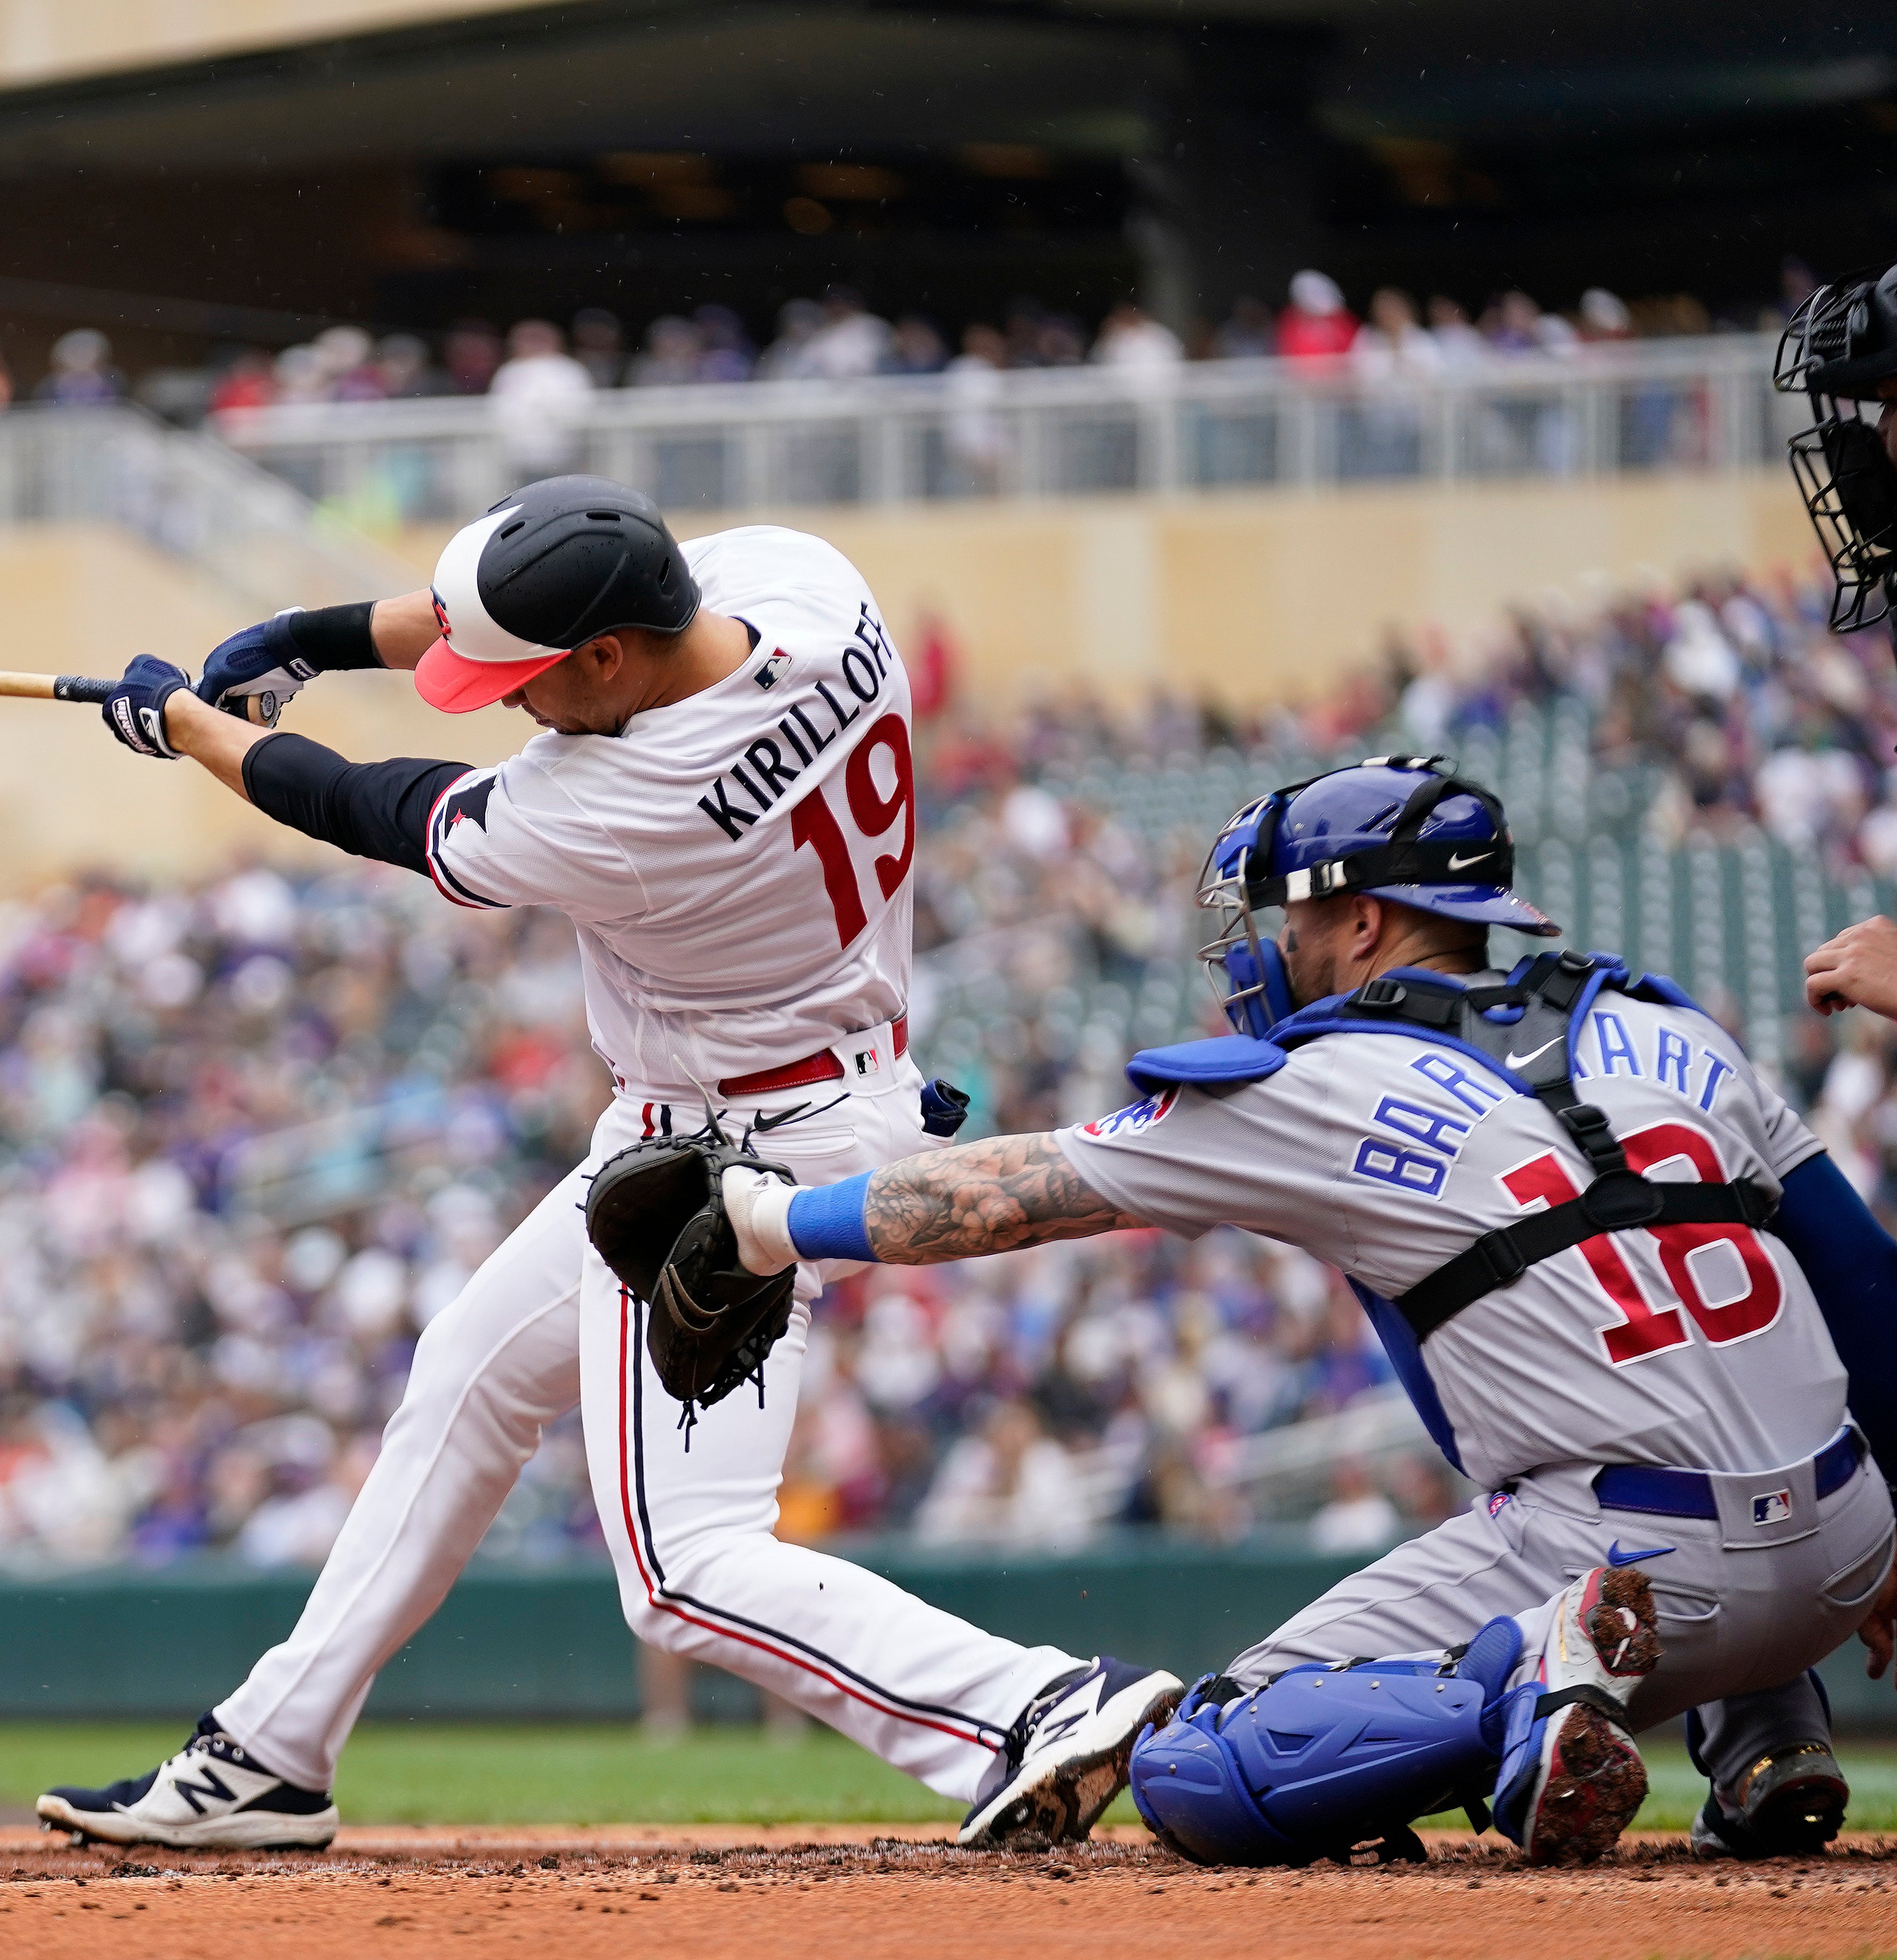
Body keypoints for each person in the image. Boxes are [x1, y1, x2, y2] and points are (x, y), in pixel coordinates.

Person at [41, 475, 1182, 1853]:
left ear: (606, 657)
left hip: (725, 1156)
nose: (508, 701)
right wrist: (312, 634)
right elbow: (513, 612)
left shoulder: (629, 800)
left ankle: (1033, 1701)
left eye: (528, 681)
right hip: (807, 1080)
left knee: (682, 1565)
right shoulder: (803, 580)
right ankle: (269, 1752)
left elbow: (360, 800)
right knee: (464, 1372)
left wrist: (190, 726)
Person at [718, 760, 1897, 1864]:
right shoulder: (1670, 1024)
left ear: (1366, 922)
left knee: (1202, 1755)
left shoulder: (1320, 1081)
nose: (1271, 951)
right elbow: (1863, 1290)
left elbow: (1003, 1197)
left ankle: (1526, 1677)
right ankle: (1765, 1742)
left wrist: (767, 1220)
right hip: (1849, 1543)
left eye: (1290, 921)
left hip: (1622, 1552)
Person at [487, 319, 596, 479]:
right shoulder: (509, 372)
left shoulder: (569, 369)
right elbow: (497, 411)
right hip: (518, 462)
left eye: (537, 339)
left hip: (565, 457)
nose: (532, 345)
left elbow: (583, 409)